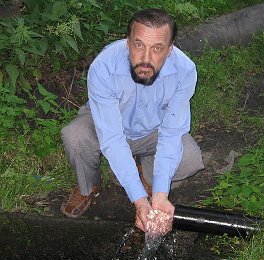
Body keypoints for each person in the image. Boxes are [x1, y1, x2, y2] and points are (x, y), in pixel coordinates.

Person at [60, 8, 204, 234]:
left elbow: (171, 132)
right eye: (139, 45)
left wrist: (159, 195)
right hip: (107, 125)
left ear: (170, 50)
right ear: (127, 42)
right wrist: (138, 199)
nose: (146, 59)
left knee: (190, 158)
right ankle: (89, 186)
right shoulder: (103, 66)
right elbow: (113, 138)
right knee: (75, 135)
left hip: (153, 130)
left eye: (157, 48)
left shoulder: (185, 71)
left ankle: (149, 177)